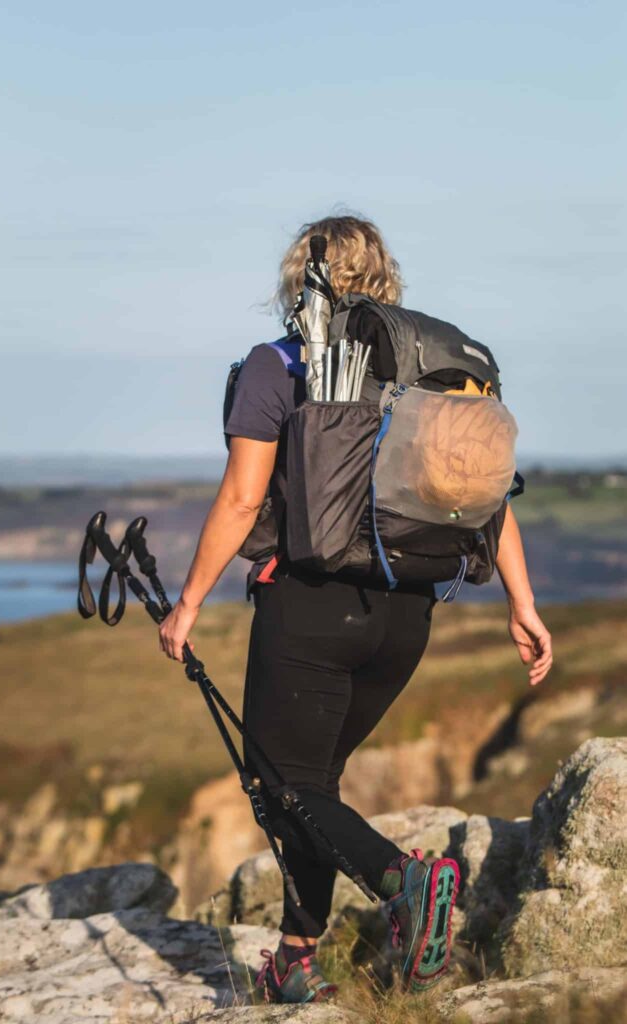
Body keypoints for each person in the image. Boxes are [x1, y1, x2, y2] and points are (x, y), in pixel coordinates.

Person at [159, 214, 553, 1003]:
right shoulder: (437, 379)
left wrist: (187, 604)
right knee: (310, 787)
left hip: (311, 605)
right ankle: (297, 958)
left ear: (295, 277)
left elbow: (242, 499)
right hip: (406, 615)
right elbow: (485, 503)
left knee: (282, 782)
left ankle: (404, 879)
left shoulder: (279, 365)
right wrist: (523, 602)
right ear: (384, 278)